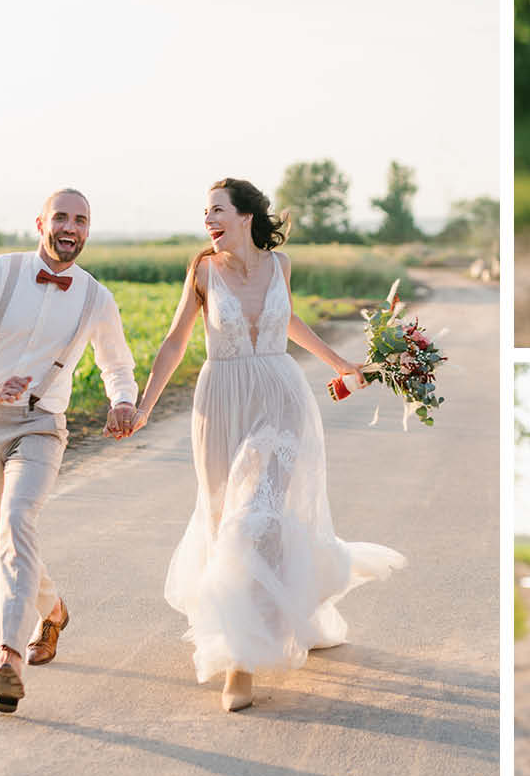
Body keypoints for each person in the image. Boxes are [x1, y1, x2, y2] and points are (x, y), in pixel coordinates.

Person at [129, 177, 406, 712]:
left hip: (281, 398)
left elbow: (289, 321)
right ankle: (270, 617)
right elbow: (175, 341)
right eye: (204, 212)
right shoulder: (203, 271)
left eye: (217, 210)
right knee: (222, 520)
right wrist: (143, 407)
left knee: (257, 518)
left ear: (245, 216)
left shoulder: (279, 266)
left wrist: (343, 365)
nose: (208, 220)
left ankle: (241, 659)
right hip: (221, 402)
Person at [0, 188, 139, 713]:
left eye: (82, 220)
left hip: (42, 425)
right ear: (41, 223)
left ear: (88, 231)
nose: (71, 228)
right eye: (62, 218)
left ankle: (9, 659)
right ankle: (53, 611)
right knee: (4, 541)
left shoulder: (96, 298)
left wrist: (121, 402)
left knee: (19, 520)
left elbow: (117, 366)